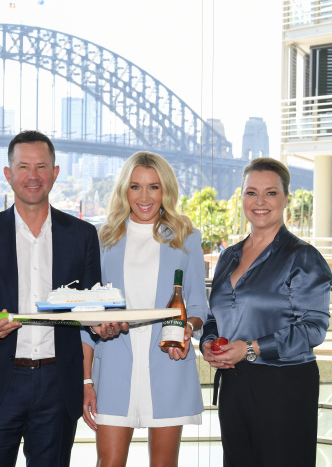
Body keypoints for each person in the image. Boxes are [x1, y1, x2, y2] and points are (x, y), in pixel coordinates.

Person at [0, 130, 124, 467]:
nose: (32, 177)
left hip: (57, 385)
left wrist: (103, 327)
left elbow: (91, 308)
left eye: (41, 167)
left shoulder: (81, 236)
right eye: (22, 167)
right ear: (8, 174)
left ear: (55, 172)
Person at [201, 157, 332, 467]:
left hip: (283, 385)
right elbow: (213, 316)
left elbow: (314, 327)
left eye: (271, 193)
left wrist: (250, 348)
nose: (260, 201)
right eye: (251, 192)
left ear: (286, 198)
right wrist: (208, 342)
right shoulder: (228, 256)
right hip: (234, 382)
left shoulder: (302, 257)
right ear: (242, 197)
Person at [81, 151, 209, 467]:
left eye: (154, 186)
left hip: (168, 364)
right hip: (112, 368)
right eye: (135, 186)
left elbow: (197, 306)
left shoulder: (186, 237)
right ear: (124, 190)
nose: (144, 196)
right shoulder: (102, 238)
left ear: (165, 190)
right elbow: (88, 317)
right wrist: (85, 382)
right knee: (108, 463)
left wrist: (189, 328)